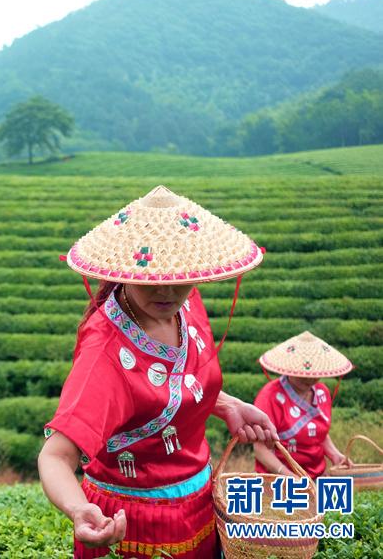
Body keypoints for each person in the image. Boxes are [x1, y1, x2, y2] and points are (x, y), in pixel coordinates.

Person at [38, 185, 278, 559]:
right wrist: (78, 509)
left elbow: (174, 381)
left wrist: (226, 404)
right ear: (125, 269)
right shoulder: (105, 357)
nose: (167, 290)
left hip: (198, 501)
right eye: (152, 279)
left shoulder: (185, 302)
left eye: (179, 277)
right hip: (135, 522)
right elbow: (55, 455)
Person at [253, 331, 354, 479]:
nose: (308, 379)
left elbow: (319, 433)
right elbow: (260, 449)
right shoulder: (270, 396)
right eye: (301, 374)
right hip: (278, 482)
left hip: (316, 478)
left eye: (314, 375)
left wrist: (335, 455)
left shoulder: (322, 393)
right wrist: (288, 476)